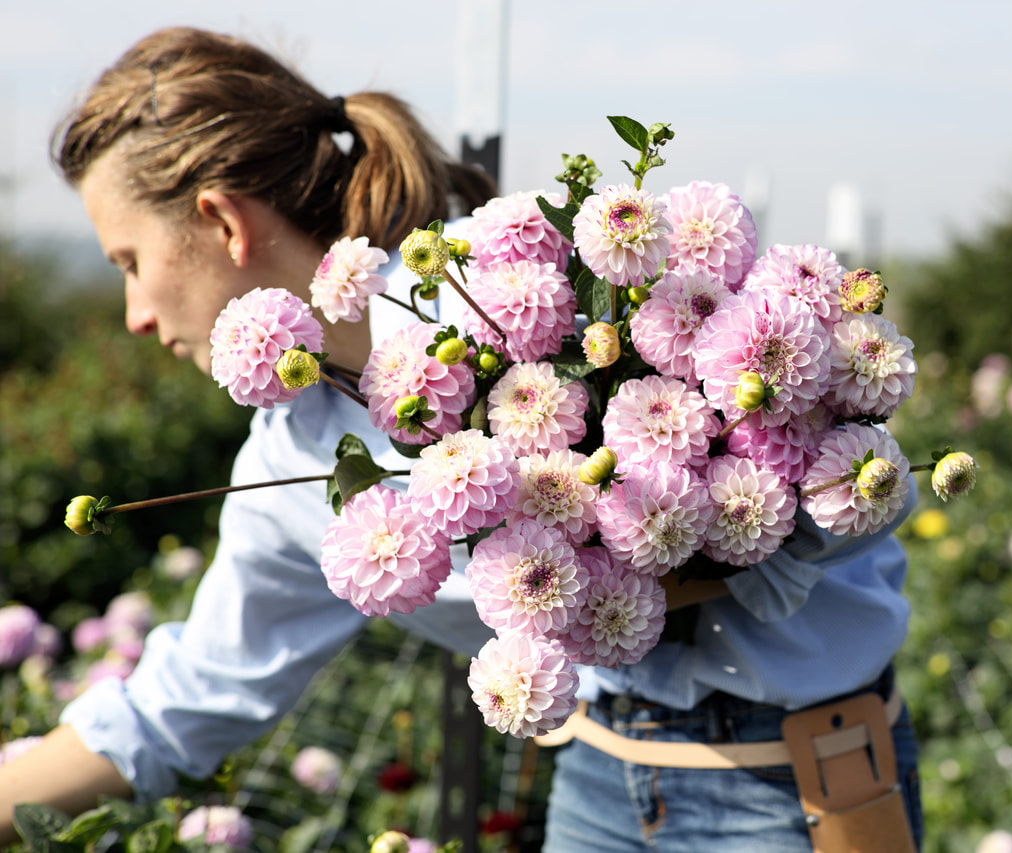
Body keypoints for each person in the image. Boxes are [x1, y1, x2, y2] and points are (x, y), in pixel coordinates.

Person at [0, 25, 925, 852]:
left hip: (797, 784)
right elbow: (185, 700)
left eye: (128, 262)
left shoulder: (524, 290)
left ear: (221, 222)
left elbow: (869, 483)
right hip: (602, 778)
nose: (130, 312)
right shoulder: (291, 462)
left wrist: (693, 528)